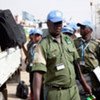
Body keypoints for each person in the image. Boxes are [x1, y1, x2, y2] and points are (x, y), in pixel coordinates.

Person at [32, 10, 92, 100]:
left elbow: (76, 64)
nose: (58, 26)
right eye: (55, 23)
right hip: (56, 93)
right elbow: (38, 74)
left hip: (73, 91)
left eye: (60, 22)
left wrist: (84, 84)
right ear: (48, 24)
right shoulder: (43, 45)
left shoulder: (68, 40)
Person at [74, 20, 100, 100]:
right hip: (80, 76)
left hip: (93, 76)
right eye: (80, 27)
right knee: (83, 96)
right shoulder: (75, 42)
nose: (80, 29)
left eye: (83, 27)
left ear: (90, 30)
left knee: (94, 96)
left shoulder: (96, 44)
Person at [26, 28, 43, 100]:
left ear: (41, 36)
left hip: (39, 70)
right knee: (32, 84)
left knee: (40, 87)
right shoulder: (31, 45)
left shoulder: (43, 46)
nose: (35, 37)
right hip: (32, 69)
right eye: (34, 35)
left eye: (38, 35)